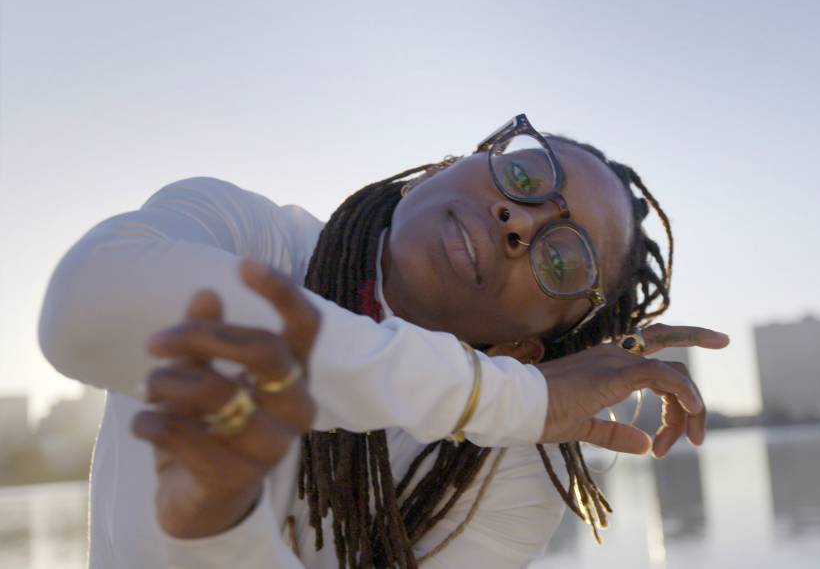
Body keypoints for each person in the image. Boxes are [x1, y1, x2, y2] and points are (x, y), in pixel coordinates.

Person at [38, 114, 729, 568]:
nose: (517, 220)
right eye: (523, 174)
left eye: (563, 261)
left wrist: (219, 531)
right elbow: (78, 310)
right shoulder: (246, 238)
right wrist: (494, 399)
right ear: (445, 167)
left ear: (528, 350)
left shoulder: (510, 474)